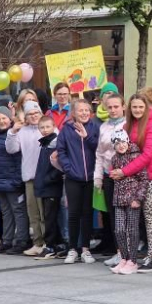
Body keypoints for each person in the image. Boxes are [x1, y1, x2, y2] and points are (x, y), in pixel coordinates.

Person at [112, 94, 152, 272]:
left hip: (150, 177)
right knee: (130, 219)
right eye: (134, 107)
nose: (138, 110)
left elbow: (148, 155)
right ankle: (128, 258)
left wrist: (124, 171)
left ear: (147, 107)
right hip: (130, 179)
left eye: (141, 107)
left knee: (148, 215)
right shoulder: (127, 125)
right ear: (129, 108)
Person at [57, 99, 100, 265]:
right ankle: (72, 248)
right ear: (73, 113)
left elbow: (99, 149)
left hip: (90, 178)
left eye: (86, 110)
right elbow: (61, 151)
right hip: (73, 178)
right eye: (80, 110)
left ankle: (86, 249)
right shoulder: (66, 130)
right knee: (73, 214)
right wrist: (69, 169)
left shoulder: (94, 127)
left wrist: (87, 137)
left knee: (87, 214)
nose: (84, 113)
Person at [6, 101, 48, 256]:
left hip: (46, 178)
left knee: (45, 213)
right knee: (33, 213)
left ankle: (47, 242)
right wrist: (13, 132)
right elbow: (11, 149)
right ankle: (37, 242)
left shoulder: (47, 128)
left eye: (36, 113)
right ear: (26, 116)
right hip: (29, 177)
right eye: (30, 114)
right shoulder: (22, 131)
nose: (34, 116)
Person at [0, 107, 30, 254]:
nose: (1, 121)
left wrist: (17, 180)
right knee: (6, 212)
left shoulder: (15, 134)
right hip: (0, 182)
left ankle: (22, 240)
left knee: (18, 211)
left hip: (13, 182)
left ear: (10, 118)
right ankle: (7, 240)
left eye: (4, 118)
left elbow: (19, 159)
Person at [108, 130, 149, 275]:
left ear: (128, 141)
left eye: (123, 142)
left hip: (132, 199)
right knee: (119, 230)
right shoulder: (114, 159)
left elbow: (144, 179)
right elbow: (113, 174)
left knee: (132, 230)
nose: (121, 146)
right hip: (119, 199)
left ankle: (133, 260)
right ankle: (124, 258)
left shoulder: (135, 156)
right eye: (117, 143)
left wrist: (138, 198)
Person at [94, 93, 126, 267]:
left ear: (123, 106)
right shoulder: (104, 127)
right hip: (108, 176)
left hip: (125, 176)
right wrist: (98, 177)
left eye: (116, 106)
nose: (113, 110)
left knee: (126, 216)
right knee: (113, 216)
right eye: (110, 107)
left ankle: (129, 252)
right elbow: (99, 153)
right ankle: (119, 251)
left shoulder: (128, 124)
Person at [34, 115, 65, 257]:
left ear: (53, 127)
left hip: (52, 186)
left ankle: (50, 245)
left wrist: (48, 179)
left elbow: (59, 167)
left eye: (48, 127)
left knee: (50, 217)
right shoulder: (44, 143)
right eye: (42, 127)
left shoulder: (55, 143)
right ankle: (58, 244)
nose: (45, 130)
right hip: (44, 186)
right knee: (49, 216)